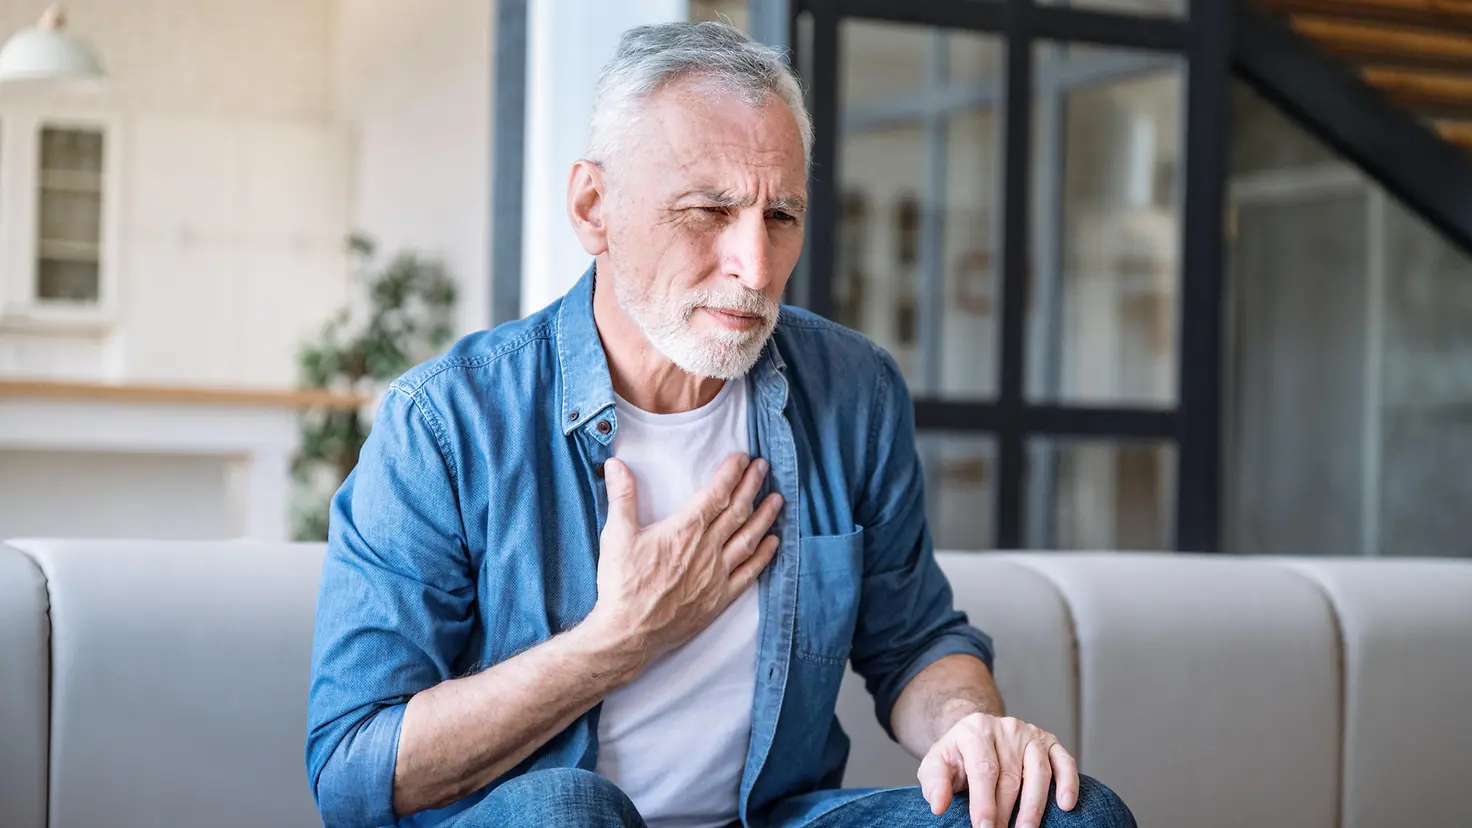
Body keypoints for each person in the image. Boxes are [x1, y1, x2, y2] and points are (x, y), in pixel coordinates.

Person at [306, 20, 1135, 828]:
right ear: (594, 207)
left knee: (1077, 815)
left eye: (782, 218)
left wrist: (972, 731)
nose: (756, 266)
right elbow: (354, 769)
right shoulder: (446, 422)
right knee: (566, 810)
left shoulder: (854, 391)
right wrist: (616, 642)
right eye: (709, 211)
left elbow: (913, 640)